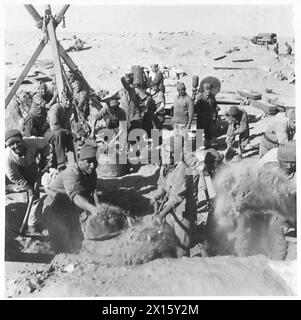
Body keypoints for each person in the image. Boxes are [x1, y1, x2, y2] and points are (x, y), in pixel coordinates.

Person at [42, 144, 101, 253]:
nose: (93, 165)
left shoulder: (91, 172)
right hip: (54, 208)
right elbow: (76, 197)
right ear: (81, 160)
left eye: (95, 161)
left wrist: (98, 207)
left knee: (77, 239)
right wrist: (93, 209)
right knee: (61, 247)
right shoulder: (71, 173)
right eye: (89, 161)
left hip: (70, 207)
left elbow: (92, 190)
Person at [151, 135, 197, 257]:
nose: (167, 155)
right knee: (170, 244)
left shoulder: (181, 170)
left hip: (183, 212)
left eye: (170, 152)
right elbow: (162, 184)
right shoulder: (165, 167)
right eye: (165, 151)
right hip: (170, 211)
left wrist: (160, 214)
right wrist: (157, 195)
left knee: (181, 248)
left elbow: (176, 197)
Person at [5, 129, 50, 234]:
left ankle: (32, 225)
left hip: (31, 166)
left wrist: (44, 158)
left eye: (17, 142)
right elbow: (13, 176)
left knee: (34, 195)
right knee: (29, 192)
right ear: (8, 146)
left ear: (22, 139)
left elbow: (46, 144)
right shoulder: (6, 158)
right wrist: (28, 187)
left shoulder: (32, 142)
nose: (16, 146)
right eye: (12, 144)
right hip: (15, 173)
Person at [44, 91, 75, 171]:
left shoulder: (69, 108)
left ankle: (73, 163)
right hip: (48, 132)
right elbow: (54, 127)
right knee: (59, 134)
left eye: (70, 100)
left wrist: (71, 134)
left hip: (61, 132)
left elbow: (67, 124)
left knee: (70, 137)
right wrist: (68, 132)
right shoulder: (55, 108)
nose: (69, 102)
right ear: (61, 100)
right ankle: (61, 163)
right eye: (66, 100)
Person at [193, 82, 218, 147]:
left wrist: (214, 116)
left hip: (209, 117)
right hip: (201, 118)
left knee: (209, 131)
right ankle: (198, 145)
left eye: (209, 90)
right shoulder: (200, 97)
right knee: (200, 131)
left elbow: (215, 107)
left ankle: (208, 144)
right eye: (207, 90)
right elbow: (195, 107)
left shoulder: (212, 97)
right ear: (204, 90)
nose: (208, 91)